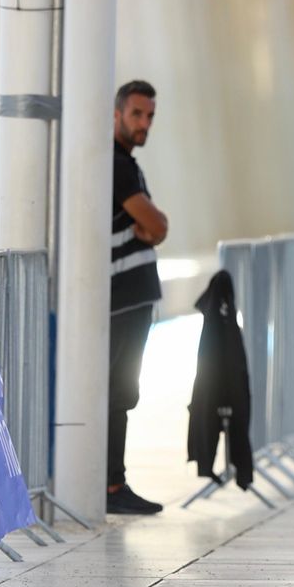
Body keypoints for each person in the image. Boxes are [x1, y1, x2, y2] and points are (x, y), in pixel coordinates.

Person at [109, 80, 168, 515]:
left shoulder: (127, 162)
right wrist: (145, 227)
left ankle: (113, 482)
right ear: (117, 114)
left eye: (149, 116)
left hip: (131, 297)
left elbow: (151, 229)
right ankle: (112, 486)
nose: (144, 123)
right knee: (117, 388)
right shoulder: (118, 166)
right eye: (136, 115)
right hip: (122, 299)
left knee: (122, 389)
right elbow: (158, 227)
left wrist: (146, 227)